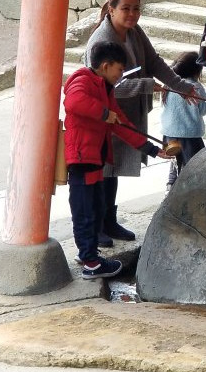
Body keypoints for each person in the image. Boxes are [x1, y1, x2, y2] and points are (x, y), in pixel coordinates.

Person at [85, 0, 195, 246]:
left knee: (113, 170)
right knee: (101, 171)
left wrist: (180, 85)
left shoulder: (134, 32)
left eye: (136, 9)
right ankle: (95, 227)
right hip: (105, 114)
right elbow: (109, 84)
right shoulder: (101, 40)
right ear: (111, 10)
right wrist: (147, 85)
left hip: (129, 112)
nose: (132, 14)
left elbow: (154, 61)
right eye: (126, 8)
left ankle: (109, 222)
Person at [64, 41, 171, 279]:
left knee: (94, 208)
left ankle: (87, 253)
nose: (121, 75)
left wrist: (151, 149)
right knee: (85, 211)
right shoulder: (82, 80)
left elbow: (121, 124)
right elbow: (73, 102)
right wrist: (104, 113)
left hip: (95, 159)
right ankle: (91, 263)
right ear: (105, 66)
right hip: (81, 159)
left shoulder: (105, 88)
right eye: (119, 70)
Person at [161, 51, 206, 188]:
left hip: (169, 134)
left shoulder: (168, 85)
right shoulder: (196, 87)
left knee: (175, 163)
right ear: (196, 70)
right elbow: (203, 110)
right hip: (189, 136)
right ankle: (190, 192)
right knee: (194, 166)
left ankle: (170, 188)